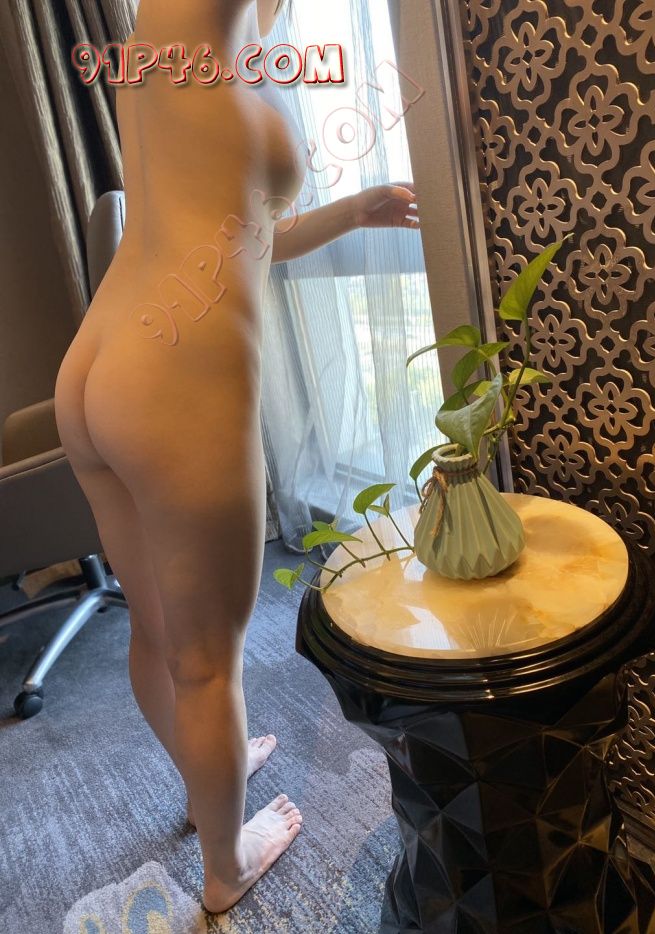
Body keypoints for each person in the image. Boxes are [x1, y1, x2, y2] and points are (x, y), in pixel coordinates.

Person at [54, 0, 418, 914]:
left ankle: (202, 774)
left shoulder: (152, 56)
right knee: (208, 663)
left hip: (98, 366)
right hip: (171, 380)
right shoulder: (205, 45)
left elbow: (247, 234)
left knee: (160, 634)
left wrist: (360, 208)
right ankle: (226, 863)